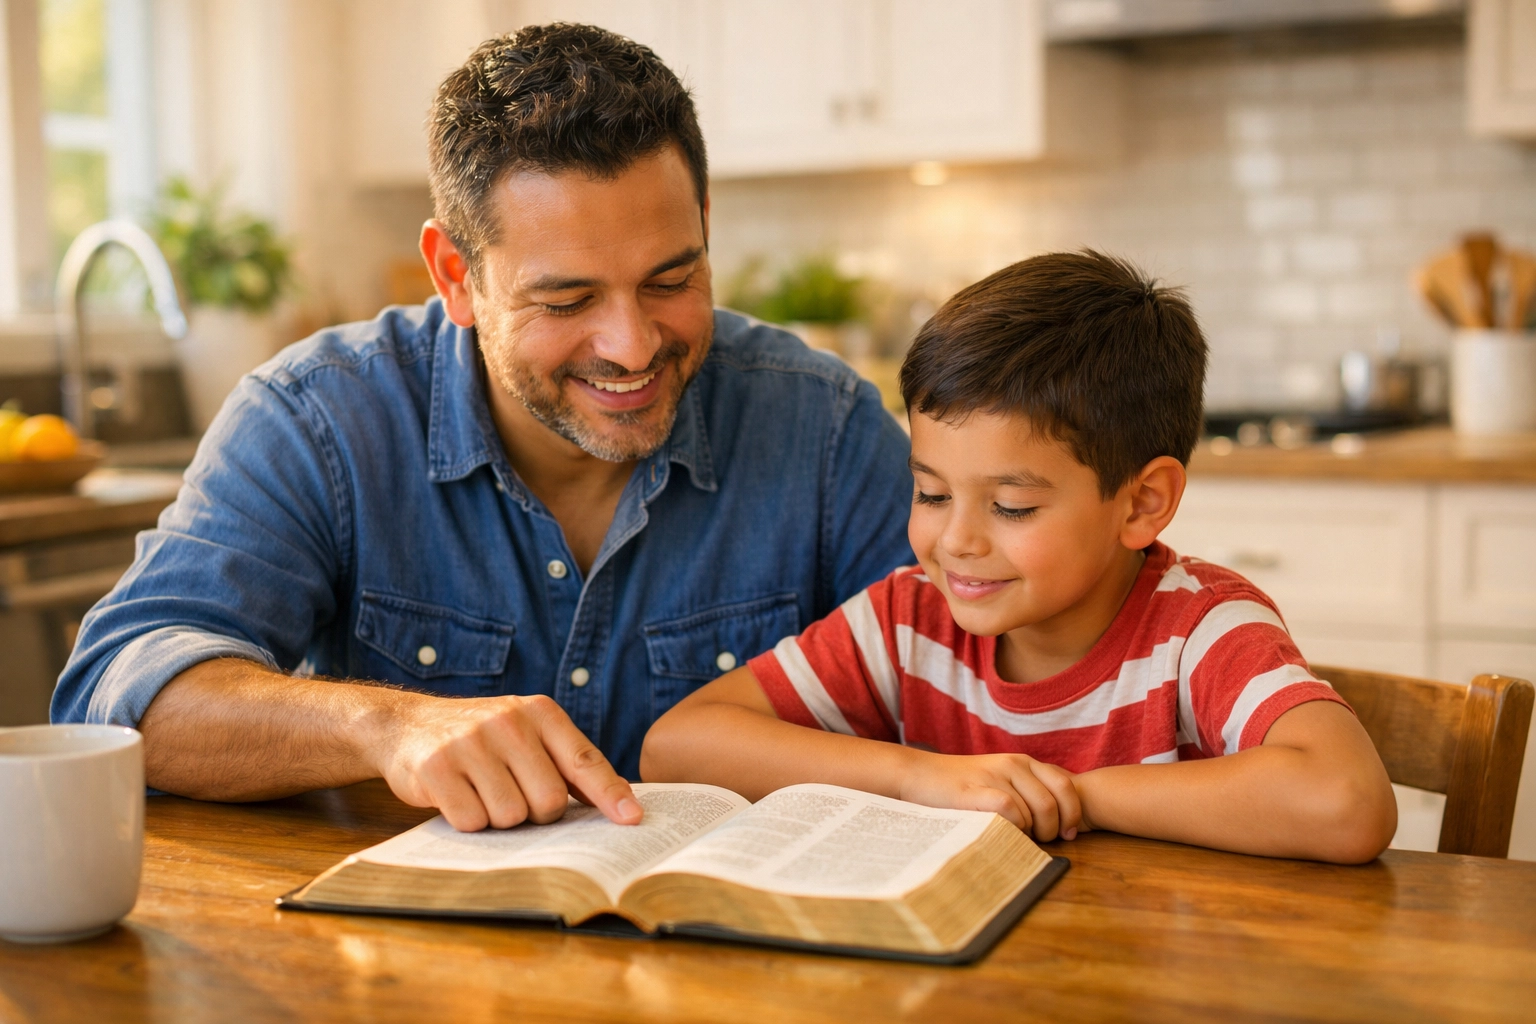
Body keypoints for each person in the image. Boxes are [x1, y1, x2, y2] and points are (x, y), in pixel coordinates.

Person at [51, 24, 914, 833]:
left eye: (669, 279)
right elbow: (117, 696)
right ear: (455, 276)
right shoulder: (319, 419)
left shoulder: (823, 425)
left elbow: (986, 677)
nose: (634, 344)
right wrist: (385, 728)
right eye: (567, 299)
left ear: (705, 228)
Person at [642, 251, 1398, 865]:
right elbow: (676, 747)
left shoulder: (1198, 628)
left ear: (1142, 503)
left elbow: (1346, 802)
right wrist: (924, 778)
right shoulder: (910, 620)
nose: (957, 541)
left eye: (1011, 507)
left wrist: (1070, 795)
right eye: (932, 494)